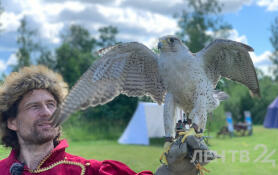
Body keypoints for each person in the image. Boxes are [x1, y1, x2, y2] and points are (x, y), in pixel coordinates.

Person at [0, 65, 215, 175]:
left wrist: (174, 172)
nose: (47, 112)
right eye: (34, 106)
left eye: (51, 105)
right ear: (12, 122)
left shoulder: (86, 171)